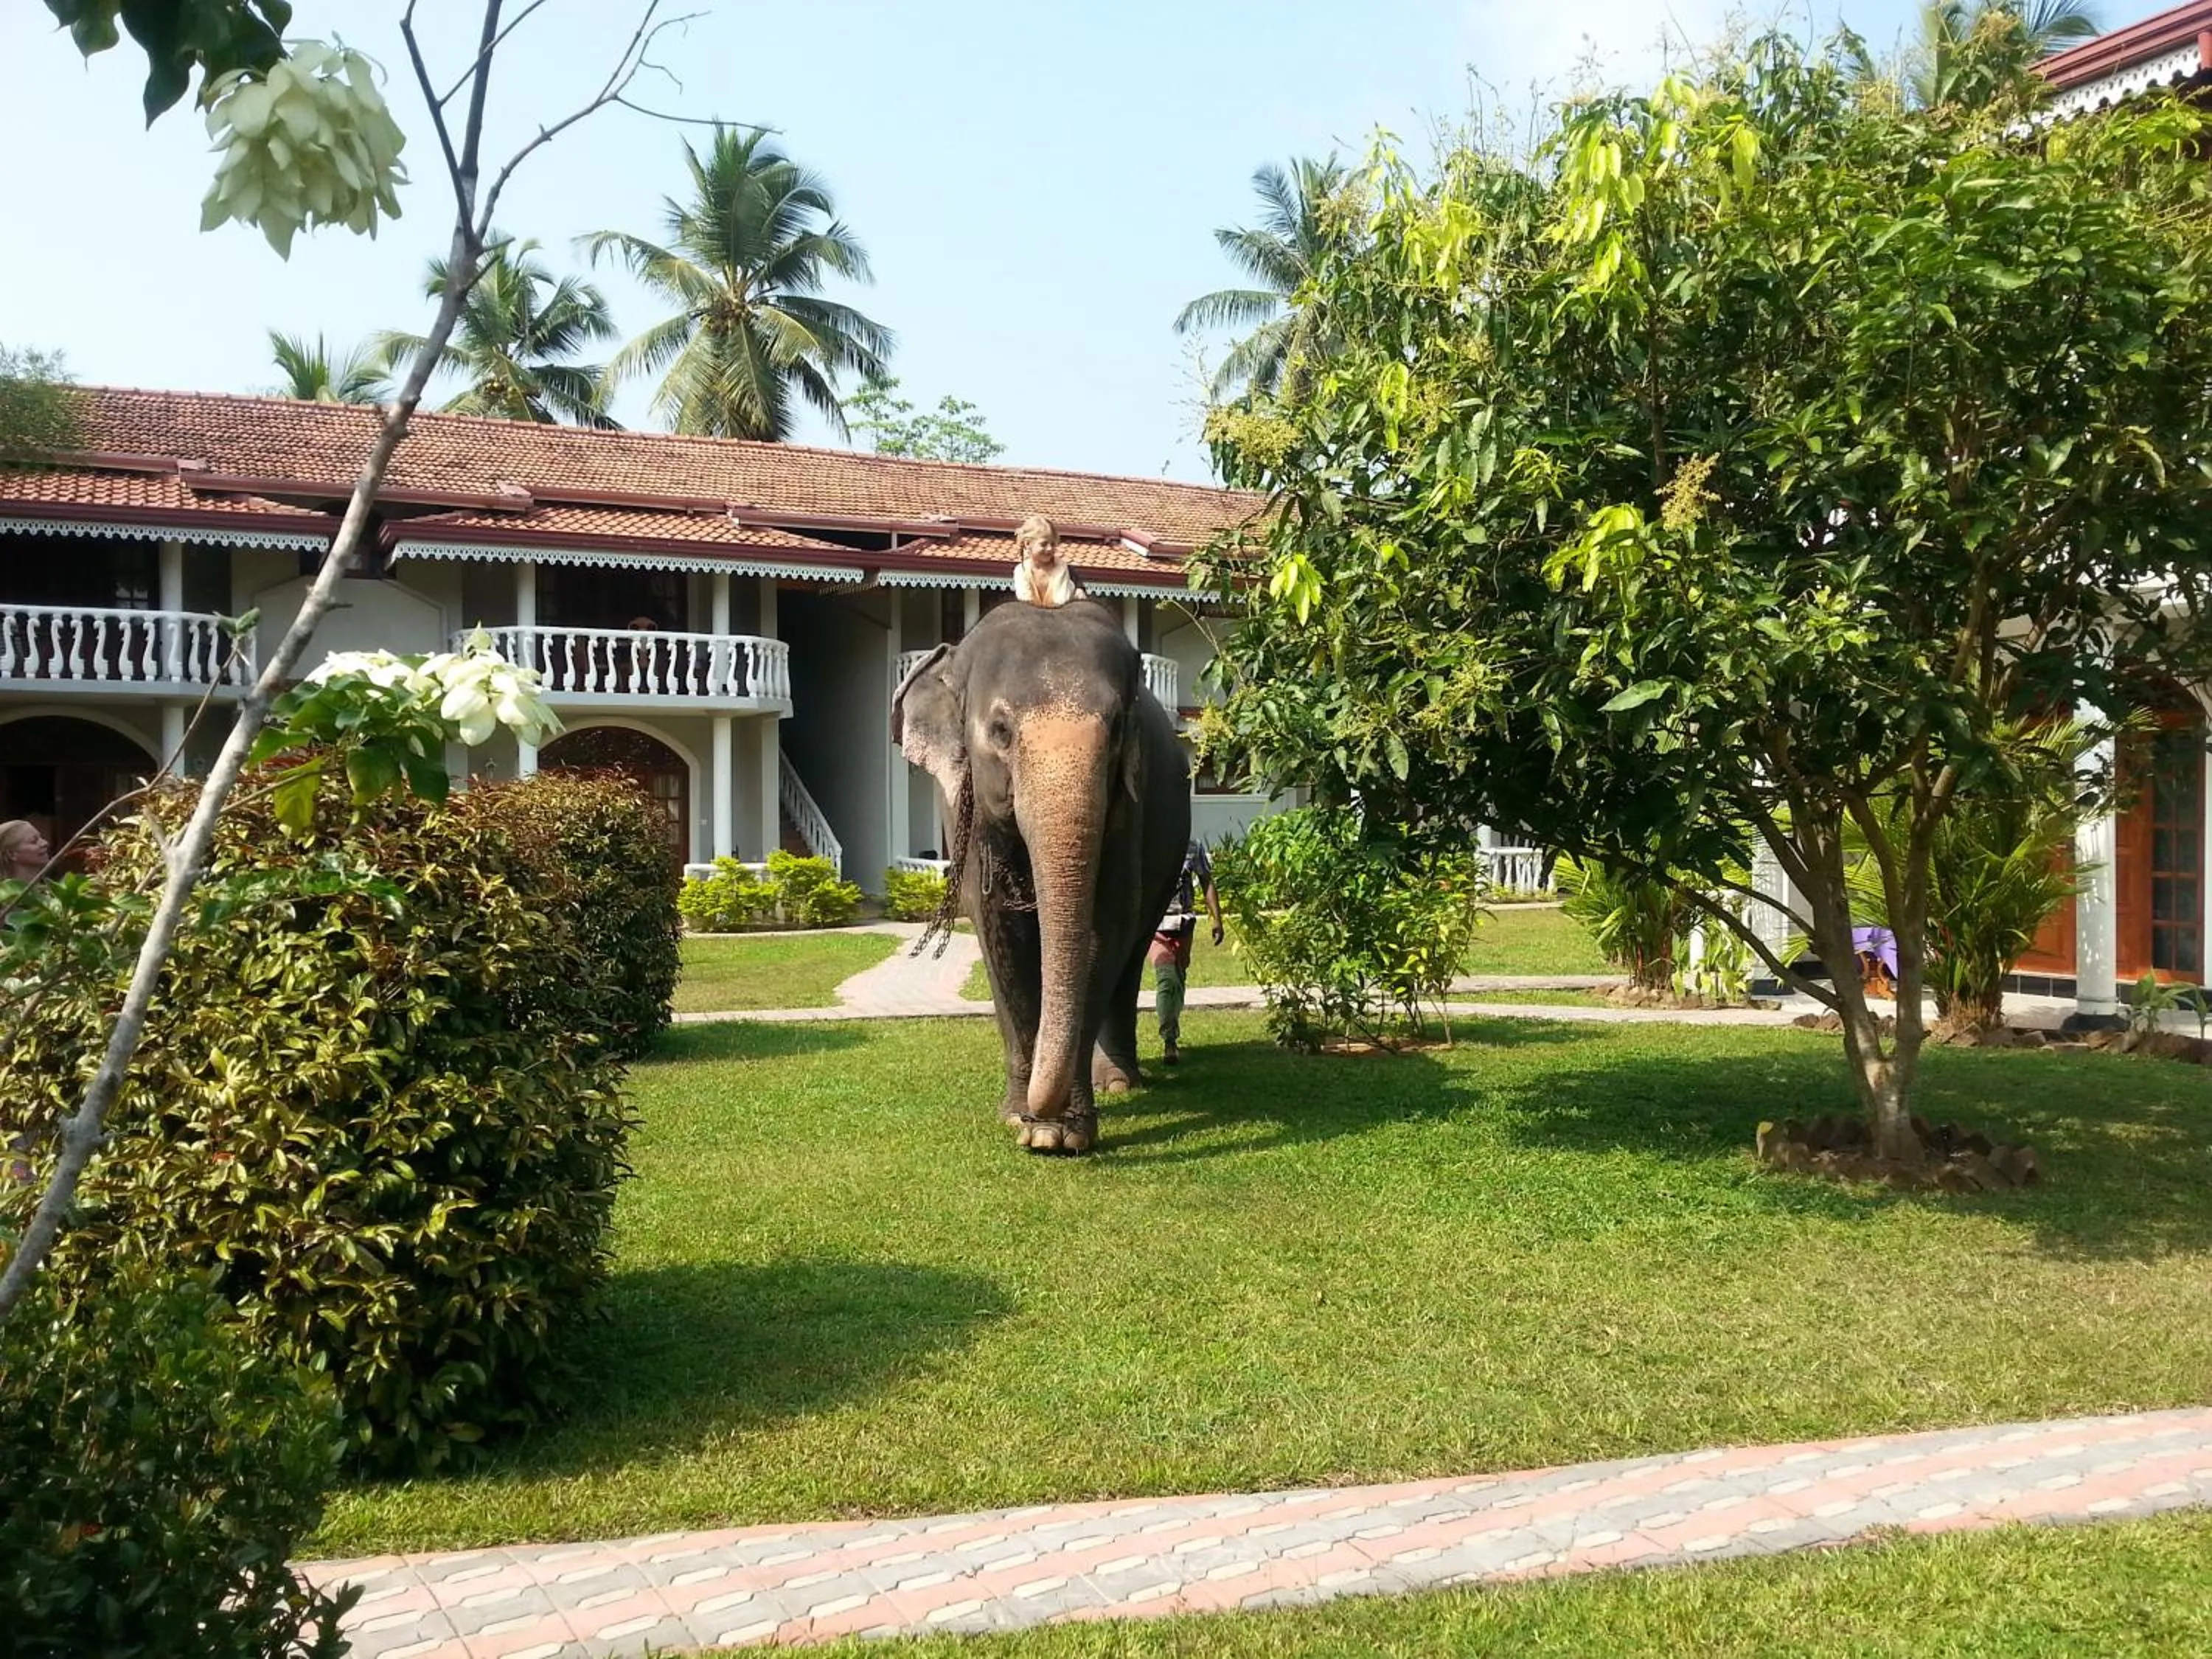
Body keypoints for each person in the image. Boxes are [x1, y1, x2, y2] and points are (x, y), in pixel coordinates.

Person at [1149, 838, 1224, 1065]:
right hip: (1157, 926)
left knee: (1178, 981)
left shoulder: (1193, 846)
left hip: (1183, 926)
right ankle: (1169, 1040)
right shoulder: (1150, 844)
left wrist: (1217, 920)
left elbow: (1206, 880)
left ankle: (1172, 1026)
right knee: (1167, 980)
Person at [1011, 513, 1086, 608]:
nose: (1050, 548)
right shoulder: (1021, 571)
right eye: (1044, 544)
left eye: (1053, 544)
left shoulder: (1061, 568)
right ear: (1028, 544)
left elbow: (1060, 601)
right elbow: (1025, 601)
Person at [0, 819, 50, 886]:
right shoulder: (6, 894)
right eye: (34, 841)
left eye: (41, 837)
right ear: (11, 854)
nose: (45, 843)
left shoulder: (51, 892)